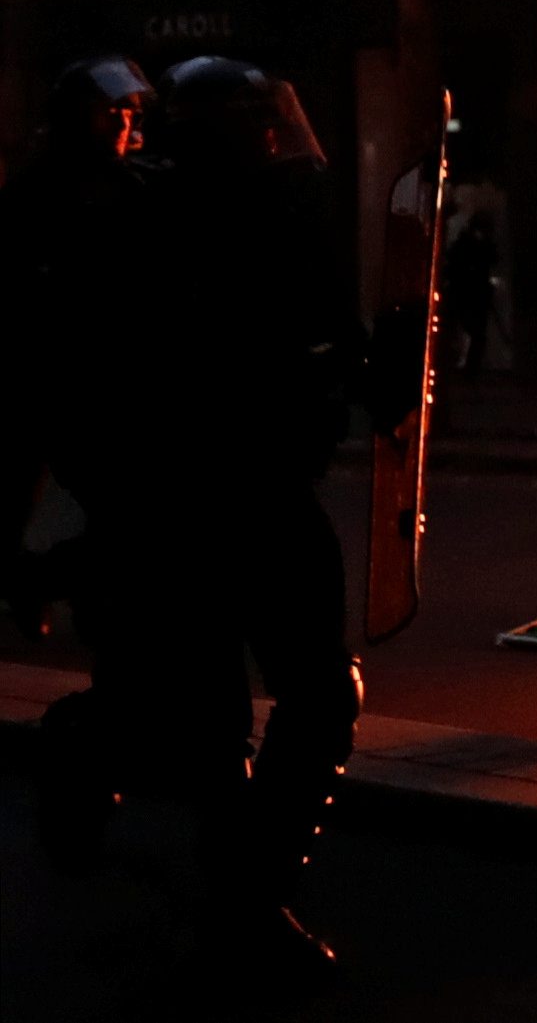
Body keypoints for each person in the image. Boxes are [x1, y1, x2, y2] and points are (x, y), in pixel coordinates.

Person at [40, 56, 368, 975]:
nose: (274, 136)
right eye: (253, 121)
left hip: (272, 490)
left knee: (319, 693)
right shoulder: (136, 225)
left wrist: (363, 370)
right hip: (182, 506)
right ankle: (94, 758)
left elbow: (326, 332)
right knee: (206, 727)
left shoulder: (283, 214)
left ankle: (247, 897)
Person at [0, 57, 155, 643]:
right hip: (41, 375)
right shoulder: (35, 192)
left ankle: (57, 585)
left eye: (128, 111)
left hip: (109, 379)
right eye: (108, 110)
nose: (122, 121)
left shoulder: (137, 186)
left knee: (126, 508)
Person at [442, 209, 500, 374]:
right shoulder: (464, 245)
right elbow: (454, 266)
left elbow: (491, 260)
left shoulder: (481, 246)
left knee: (476, 334)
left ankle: (470, 369)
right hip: (463, 293)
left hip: (475, 295)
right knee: (462, 331)